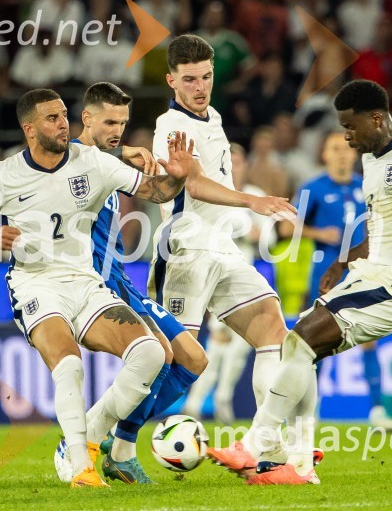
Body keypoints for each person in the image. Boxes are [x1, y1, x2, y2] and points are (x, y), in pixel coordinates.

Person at [210, 79, 392, 484]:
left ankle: (255, 445)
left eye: (350, 126)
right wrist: (343, 261)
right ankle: (301, 465)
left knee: (303, 338)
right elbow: (380, 230)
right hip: (367, 273)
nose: (346, 135)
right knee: (300, 348)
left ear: (376, 118)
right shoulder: (372, 161)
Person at [0, 88, 194, 488]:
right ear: (29, 129)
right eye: (51, 118)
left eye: (63, 115)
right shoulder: (1, 174)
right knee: (70, 364)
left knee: (150, 353)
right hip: (35, 285)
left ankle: (89, 435)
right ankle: (81, 467)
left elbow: (156, 191)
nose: (62, 124)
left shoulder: (92, 162)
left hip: (85, 282)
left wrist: (178, 177)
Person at [146, 35, 316, 480]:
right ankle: (106, 434)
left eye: (206, 76)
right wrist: (249, 201)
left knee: (274, 332)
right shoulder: (170, 125)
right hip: (185, 249)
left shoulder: (215, 117)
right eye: (189, 79)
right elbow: (194, 185)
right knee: (169, 359)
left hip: (221, 248)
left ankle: (268, 448)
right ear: (171, 80)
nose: (199, 86)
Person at [66, 82, 207, 484]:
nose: (118, 130)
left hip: (122, 280)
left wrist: (175, 176)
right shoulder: (72, 163)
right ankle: (101, 443)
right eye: (109, 121)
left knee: (193, 359)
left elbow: (148, 184)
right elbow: (71, 154)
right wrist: (123, 151)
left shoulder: (109, 163)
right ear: (87, 118)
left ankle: (117, 442)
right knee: (159, 355)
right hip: (95, 284)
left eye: (123, 123)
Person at [281, 131, 392, 430]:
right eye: (335, 148)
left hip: (363, 273)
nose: (343, 153)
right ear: (325, 155)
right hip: (326, 274)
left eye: (347, 148)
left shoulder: (366, 185)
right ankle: (310, 412)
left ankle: (378, 411)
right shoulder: (314, 188)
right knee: (316, 342)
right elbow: (285, 228)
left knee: (370, 338)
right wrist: (319, 234)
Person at [182, 142, 275, 425]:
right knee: (220, 343)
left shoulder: (256, 197)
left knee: (237, 346)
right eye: (228, 162)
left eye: (239, 162)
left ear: (246, 165)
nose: (234, 167)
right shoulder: (209, 194)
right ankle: (204, 400)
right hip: (217, 276)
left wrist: (258, 234)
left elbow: (270, 242)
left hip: (245, 277)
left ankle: (210, 399)